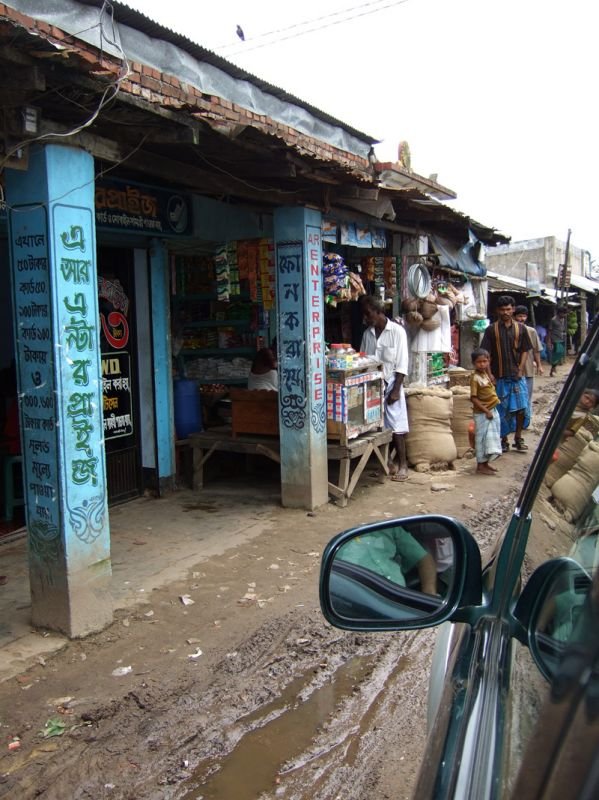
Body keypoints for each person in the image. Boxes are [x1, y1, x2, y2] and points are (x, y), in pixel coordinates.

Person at [360, 295, 409, 482]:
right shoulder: (368, 334)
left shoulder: (397, 332)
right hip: (373, 385)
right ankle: (386, 464)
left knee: (397, 427)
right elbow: (363, 360)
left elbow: (402, 363)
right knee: (376, 426)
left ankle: (403, 465)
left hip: (392, 383)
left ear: (379, 312)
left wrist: (396, 390)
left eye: (368, 314)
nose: (366, 318)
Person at [480, 295, 532, 453]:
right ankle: (504, 440)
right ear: (497, 311)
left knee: (521, 408)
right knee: (502, 410)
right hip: (499, 376)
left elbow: (525, 350)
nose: (505, 312)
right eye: (502, 310)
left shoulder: (521, 329)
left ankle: (518, 437)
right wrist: (489, 374)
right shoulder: (491, 330)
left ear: (513, 309)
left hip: (516, 375)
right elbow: (486, 354)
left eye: (508, 309)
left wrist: (521, 369)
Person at [339, 525, 438, 595]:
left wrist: (429, 592)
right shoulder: (338, 540)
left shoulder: (390, 527)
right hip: (365, 602)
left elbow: (423, 558)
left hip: (403, 597)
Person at [470, 348, 502, 475]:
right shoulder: (475, 378)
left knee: (490, 438)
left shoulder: (485, 375)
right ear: (474, 363)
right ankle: (480, 465)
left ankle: (486, 463)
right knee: (482, 439)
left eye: (485, 361)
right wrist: (486, 411)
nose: (482, 364)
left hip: (491, 410)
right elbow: (473, 398)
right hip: (483, 413)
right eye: (479, 362)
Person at [514, 305, 543, 419]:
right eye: (519, 316)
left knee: (527, 396)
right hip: (514, 369)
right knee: (515, 396)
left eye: (524, 316)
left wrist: (539, 365)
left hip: (528, 369)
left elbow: (536, 350)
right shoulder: (511, 331)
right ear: (515, 316)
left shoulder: (532, 331)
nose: (521, 319)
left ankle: (526, 420)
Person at [546, 306, 568, 377]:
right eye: (564, 313)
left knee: (560, 353)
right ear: (560, 313)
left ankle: (554, 367)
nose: (565, 315)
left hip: (561, 338)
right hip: (555, 339)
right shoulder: (553, 320)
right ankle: (552, 370)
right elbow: (549, 330)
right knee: (557, 353)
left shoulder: (563, 319)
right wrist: (549, 341)